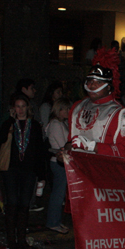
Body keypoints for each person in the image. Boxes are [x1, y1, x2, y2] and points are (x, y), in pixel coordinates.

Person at [50, 48, 125, 249]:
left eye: (96, 81)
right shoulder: (77, 108)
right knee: (102, 236)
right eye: (88, 80)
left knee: (89, 238)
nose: (90, 85)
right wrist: (66, 149)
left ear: (109, 85)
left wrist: (93, 147)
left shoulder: (121, 114)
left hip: (108, 185)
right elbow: (73, 139)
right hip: (81, 182)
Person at [0, 93, 45, 249]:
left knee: (24, 204)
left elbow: (40, 150)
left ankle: (22, 239)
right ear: (13, 108)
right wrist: (10, 120)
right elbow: (0, 138)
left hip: (29, 170)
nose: (21, 110)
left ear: (28, 108)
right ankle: (11, 239)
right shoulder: (9, 123)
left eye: (23, 106)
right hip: (11, 169)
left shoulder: (35, 125)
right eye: (17, 106)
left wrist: (42, 174)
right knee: (12, 203)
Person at [45, 97, 72, 234]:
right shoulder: (56, 124)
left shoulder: (62, 123)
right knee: (58, 194)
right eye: (66, 109)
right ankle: (53, 222)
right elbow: (63, 144)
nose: (69, 112)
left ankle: (55, 221)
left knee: (59, 194)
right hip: (58, 162)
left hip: (61, 161)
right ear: (59, 110)